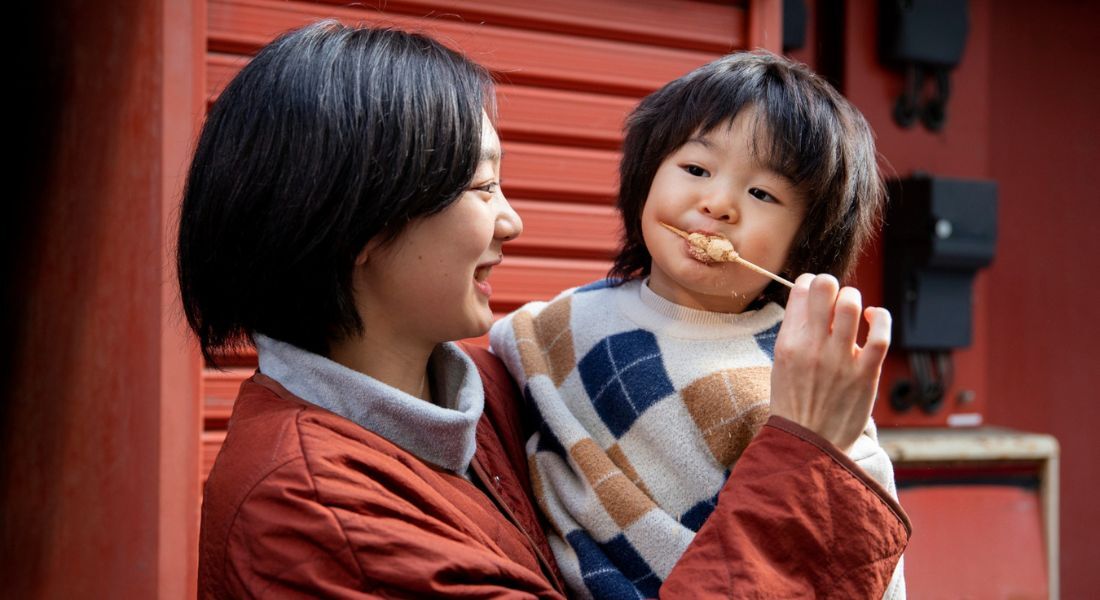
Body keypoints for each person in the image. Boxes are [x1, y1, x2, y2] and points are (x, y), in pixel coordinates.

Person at [178, 19, 909, 598]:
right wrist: (805, 459)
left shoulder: (498, 387)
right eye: (482, 187)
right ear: (363, 222)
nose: (512, 223)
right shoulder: (314, 511)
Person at [490, 51, 907, 599]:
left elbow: (852, 538)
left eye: (762, 194)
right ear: (645, 177)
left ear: (804, 243)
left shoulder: (799, 373)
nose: (717, 204)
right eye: (695, 169)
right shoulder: (557, 325)